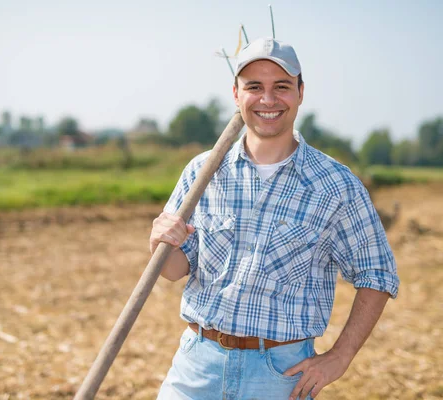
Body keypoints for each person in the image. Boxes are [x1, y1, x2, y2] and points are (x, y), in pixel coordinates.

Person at [150, 37, 400, 400]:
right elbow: (174, 269)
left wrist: (340, 357)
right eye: (254, 87)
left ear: (300, 93)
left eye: (281, 87)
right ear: (236, 95)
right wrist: (160, 241)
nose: (268, 99)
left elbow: (377, 273)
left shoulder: (336, 185)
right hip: (197, 365)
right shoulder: (203, 172)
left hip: (279, 376)